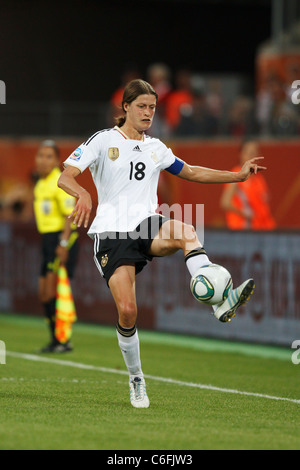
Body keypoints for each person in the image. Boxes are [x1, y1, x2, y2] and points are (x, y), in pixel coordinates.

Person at [58, 79, 266, 408]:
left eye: (152, 107)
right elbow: (65, 175)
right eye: (141, 106)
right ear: (125, 107)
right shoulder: (103, 140)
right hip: (111, 233)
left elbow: (193, 172)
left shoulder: (156, 147)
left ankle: (218, 302)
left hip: (145, 223)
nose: (148, 112)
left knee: (185, 232)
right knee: (128, 311)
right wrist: (82, 192)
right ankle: (136, 378)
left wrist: (237, 176)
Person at [33, 140, 79, 353]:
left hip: (61, 238)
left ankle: (63, 340)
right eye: (41, 155)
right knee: (44, 294)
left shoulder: (58, 182)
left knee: (54, 291)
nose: (43, 160)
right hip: (47, 240)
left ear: (56, 161)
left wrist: (62, 243)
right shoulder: (40, 183)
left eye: (48, 156)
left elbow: (70, 215)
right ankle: (55, 339)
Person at [220, 139, 276, 230]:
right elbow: (225, 202)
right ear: (241, 154)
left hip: (263, 228)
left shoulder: (259, 178)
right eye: (249, 153)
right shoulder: (236, 174)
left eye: (255, 153)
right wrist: (245, 214)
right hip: (244, 229)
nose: (252, 156)